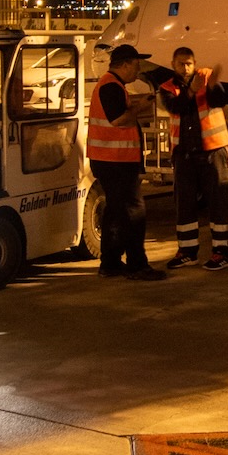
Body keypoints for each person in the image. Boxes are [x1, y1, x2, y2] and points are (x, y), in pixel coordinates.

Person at [87, 44, 164, 281]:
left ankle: (110, 264)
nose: (138, 71)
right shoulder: (111, 86)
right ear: (125, 64)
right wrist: (139, 108)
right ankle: (137, 265)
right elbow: (119, 120)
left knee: (115, 212)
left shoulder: (111, 85)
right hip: (116, 161)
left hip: (109, 160)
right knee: (134, 212)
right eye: (136, 65)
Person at [158, 46, 228, 270]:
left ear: (195, 62)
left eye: (189, 63)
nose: (186, 67)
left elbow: (220, 100)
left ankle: (221, 251)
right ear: (173, 64)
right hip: (184, 155)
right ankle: (187, 252)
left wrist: (211, 86)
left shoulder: (206, 77)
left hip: (212, 151)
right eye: (181, 63)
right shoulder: (167, 87)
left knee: (218, 202)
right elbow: (175, 107)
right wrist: (192, 90)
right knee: (184, 204)